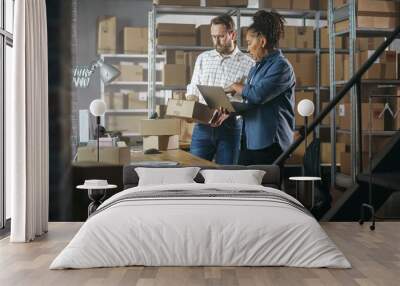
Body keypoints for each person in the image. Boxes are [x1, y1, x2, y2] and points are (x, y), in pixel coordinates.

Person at [214, 10, 296, 165]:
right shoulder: (256, 68)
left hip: (270, 142)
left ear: (262, 42)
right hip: (250, 139)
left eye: (249, 43)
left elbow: (258, 95)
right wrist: (229, 108)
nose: (247, 48)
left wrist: (235, 86)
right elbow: (251, 104)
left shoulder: (281, 67)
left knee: (265, 187)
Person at [186, 14, 254, 165]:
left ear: (233, 34)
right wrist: (190, 104)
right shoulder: (203, 58)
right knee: (194, 172)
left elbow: (249, 98)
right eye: (213, 36)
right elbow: (193, 88)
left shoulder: (248, 63)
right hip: (202, 126)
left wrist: (230, 110)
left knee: (226, 176)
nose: (216, 41)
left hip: (230, 127)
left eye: (221, 36)